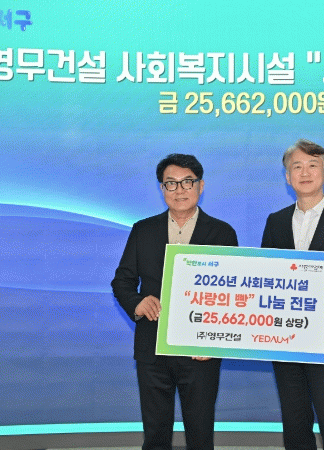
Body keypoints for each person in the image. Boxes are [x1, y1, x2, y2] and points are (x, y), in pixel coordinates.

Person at [112, 153, 238, 450]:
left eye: (187, 182)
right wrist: (137, 303)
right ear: (162, 188)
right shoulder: (143, 230)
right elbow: (122, 281)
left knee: (200, 433)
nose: (179, 190)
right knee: (155, 434)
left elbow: (232, 294)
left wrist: (214, 341)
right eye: (171, 183)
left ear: (201, 186)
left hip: (200, 350)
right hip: (153, 347)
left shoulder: (222, 232)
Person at [261, 139, 324, 450]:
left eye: (312, 165)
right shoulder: (276, 222)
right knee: (295, 428)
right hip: (286, 343)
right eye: (297, 167)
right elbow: (266, 280)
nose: (304, 173)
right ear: (287, 176)